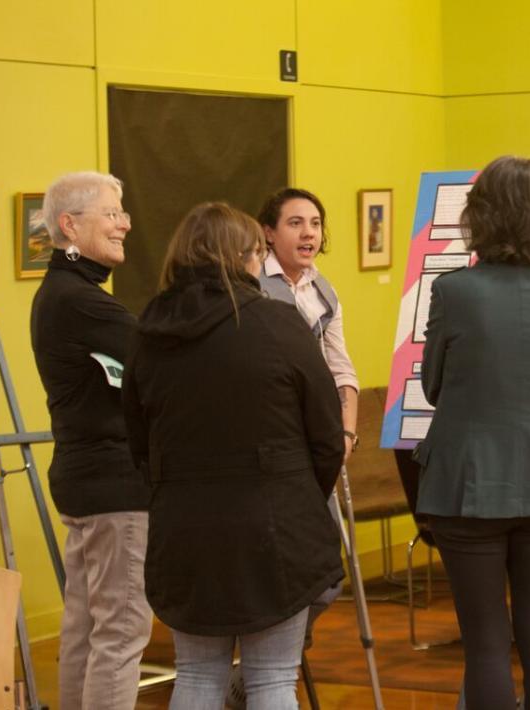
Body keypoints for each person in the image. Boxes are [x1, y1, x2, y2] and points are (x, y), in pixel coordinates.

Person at [122, 202, 344, 709]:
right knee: (271, 679)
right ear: (245, 257)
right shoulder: (278, 323)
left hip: (184, 529)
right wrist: (302, 494)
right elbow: (327, 434)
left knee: (197, 676)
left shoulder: (147, 334)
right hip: (275, 528)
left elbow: (137, 439)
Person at [412, 155, 530, 709]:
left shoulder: (454, 291)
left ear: (482, 215)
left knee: (486, 645)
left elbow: (434, 386)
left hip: (468, 484)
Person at [29, 171, 152, 710]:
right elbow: (160, 357)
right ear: (69, 225)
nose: (124, 223)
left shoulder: (61, 293)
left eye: (122, 212)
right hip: (113, 487)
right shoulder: (80, 301)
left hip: (84, 481)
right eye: (111, 213)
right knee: (121, 635)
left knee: (85, 629)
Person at [255, 187, 359, 639]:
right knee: (280, 570)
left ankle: (281, 657)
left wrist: (347, 433)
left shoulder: (323, 289)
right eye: (295, 223)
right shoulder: (253, 286)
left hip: (317, 444)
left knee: (327, 577)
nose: (308, 233)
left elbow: (341, 368)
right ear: (268, 233)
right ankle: (268, 668)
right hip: (272, 443)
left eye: (315, 223)